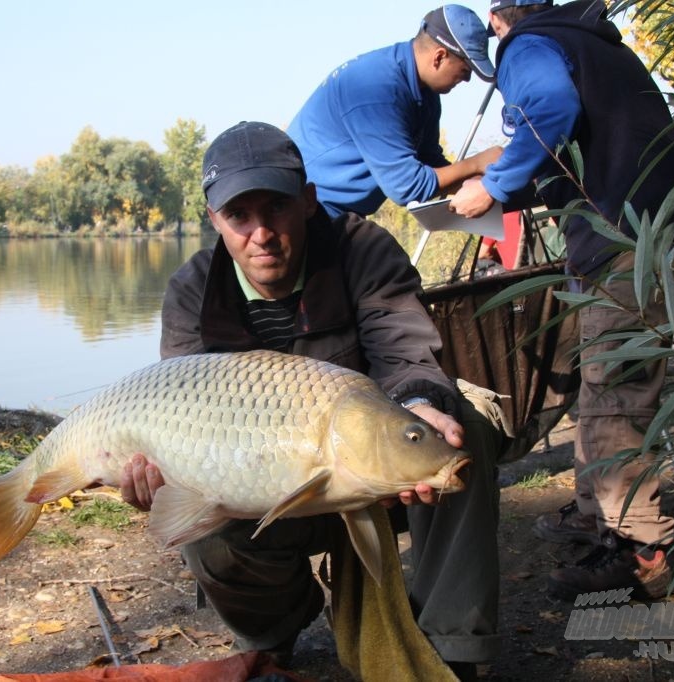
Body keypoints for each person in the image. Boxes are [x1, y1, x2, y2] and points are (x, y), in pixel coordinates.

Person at [121, 121, 510, 678]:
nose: (261, 233)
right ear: (215, 222)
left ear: (306, 201)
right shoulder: (193, 290)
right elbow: (174, 412)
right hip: (265, 488)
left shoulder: (360, 248)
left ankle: (452, 648)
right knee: (201, 517)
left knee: (457, 429)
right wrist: (157, 474)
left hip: (372, 472)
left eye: (275, 208)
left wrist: (421, 404)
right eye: (239, 217)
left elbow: (404, 351)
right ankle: (273, 633)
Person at [450, 0, 674, 600]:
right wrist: (508, 191)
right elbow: (571, 145)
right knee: (600, 380)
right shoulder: (587, 41)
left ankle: (639, 552)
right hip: (651, 223)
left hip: (630, 233)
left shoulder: (529, 45)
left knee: (616, 387)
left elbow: (549, 109)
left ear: (498, 19)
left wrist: (491, 185)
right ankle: (598, 514)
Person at [286, 5, 503, 218]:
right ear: (439, 57)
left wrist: (478, 182)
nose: (466, 79)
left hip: (341, 211)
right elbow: (408, 187)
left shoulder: (425, 93)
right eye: (465, 70)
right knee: (385, 253)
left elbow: (430, 162)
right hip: (311, 208)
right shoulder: (377, 89)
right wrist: (476, 163)